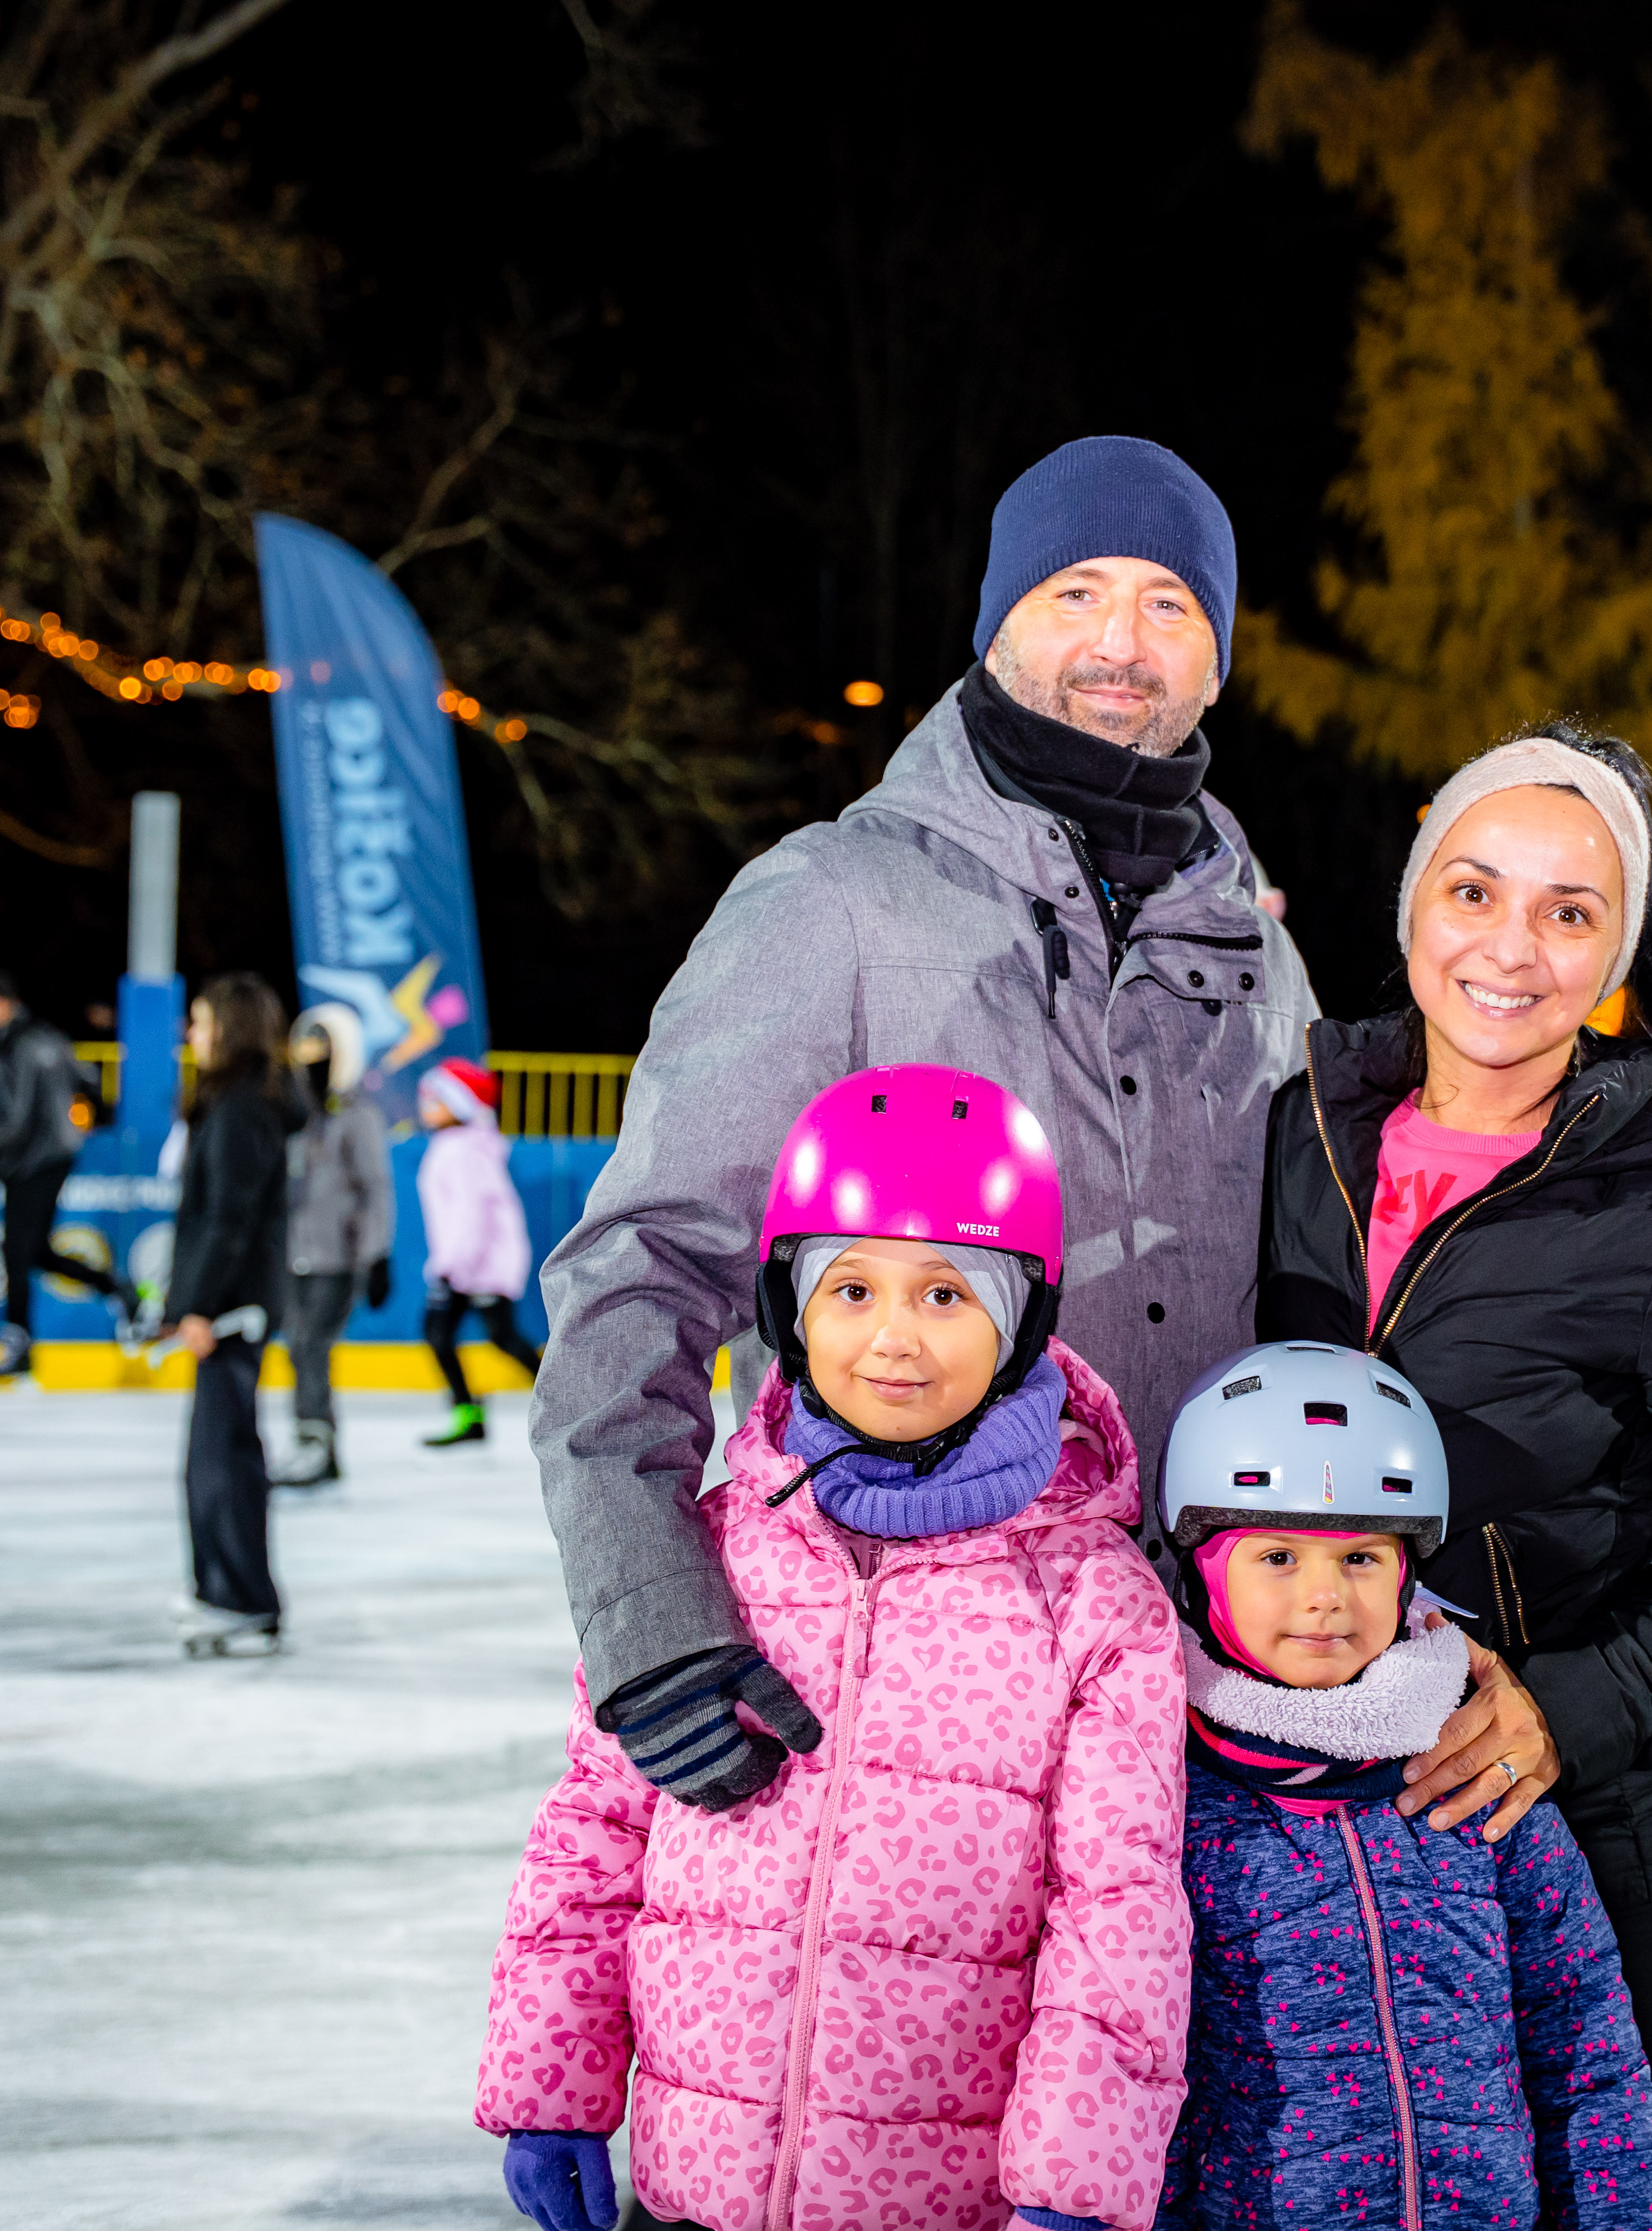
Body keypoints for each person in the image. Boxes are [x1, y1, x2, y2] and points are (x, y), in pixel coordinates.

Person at [530, 435, 1309, 1816]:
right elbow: (642, 1271)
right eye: (1075, 592)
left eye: (1168, 604)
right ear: (998, 619)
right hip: (917, 1696)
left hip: (1216, 1689)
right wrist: (652, 1623)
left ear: (1216, 656)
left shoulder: (1250, 940)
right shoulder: (832, 901)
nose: (1120, 640)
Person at [1253, 722, 1652, 2231]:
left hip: (1582, 1835)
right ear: (1410, 911)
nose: (1510, 946)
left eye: (1568, 910)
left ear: (1618, 957)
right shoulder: (1294, 1134)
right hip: (1314, 1835)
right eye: (1474, 891)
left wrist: (1568, 1715)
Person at [476, 1066, 1186, 2231]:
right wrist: (552, 2084)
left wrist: (1073, 2183)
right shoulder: (713, 1552)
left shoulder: (1094, 1603)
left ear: (1024, 1324)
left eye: (948, 1293)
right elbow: (593, 1832)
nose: (893, 1337)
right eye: (850, 1286)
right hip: (697, 2181)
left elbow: (1119, 1911)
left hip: (944, 2204)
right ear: (787, 1308)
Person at [1156, 1341, 1652, 2228]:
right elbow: (1136, 2086)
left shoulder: (1472, 1785)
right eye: (1277, 1557)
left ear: (1408, 1576)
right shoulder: (1170, 1810)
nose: (1324, 1597)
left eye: (1361, 1558)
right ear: (1205, 1569)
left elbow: (1587, 2050)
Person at [162, 973, 306, 1658]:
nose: (191, 1034)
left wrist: (196, 1306)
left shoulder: (242, 1108)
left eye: (200, 1020)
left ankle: (236, 1597)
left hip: (232, 1310)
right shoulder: (235, 1104)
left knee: (218, 1459)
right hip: (232, 1306)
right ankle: (234, 1593)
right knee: (222, 1454)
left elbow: (228, 1219)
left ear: (231, 1027)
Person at [0, 968, 125, 1380]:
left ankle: (18, 1346)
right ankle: (116, 1289)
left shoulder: (18, 1046)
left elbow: (13, 1121)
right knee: (32, 1251)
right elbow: (90, 1082)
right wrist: (92, 1120)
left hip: (33, 1160)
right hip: (51, 1155)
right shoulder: (48, 1038)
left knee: (19, 1252)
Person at [272, 1003, 395, 1486]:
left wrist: (375, 1254)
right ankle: (316, 1443)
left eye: (321, 1050)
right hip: (292, 1253)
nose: (311, 1058)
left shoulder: (356, 1114)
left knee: (309, 1345)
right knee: (297, 1347)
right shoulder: (294, 1111)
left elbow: (375, 1187)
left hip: (335, 1256)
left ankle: (315, 1443)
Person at [414, 1057, 540, 1448]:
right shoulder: (458, 1145)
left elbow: (471, 1214)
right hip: (471, 1263)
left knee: (495, 1336)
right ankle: (468, 1413)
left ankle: (567, 1400)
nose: (425, 1107)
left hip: (478, 1265)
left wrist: (451, 1266)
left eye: (435, 1099)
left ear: (460, 1103)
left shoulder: (462, 1150)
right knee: (449, 1334)